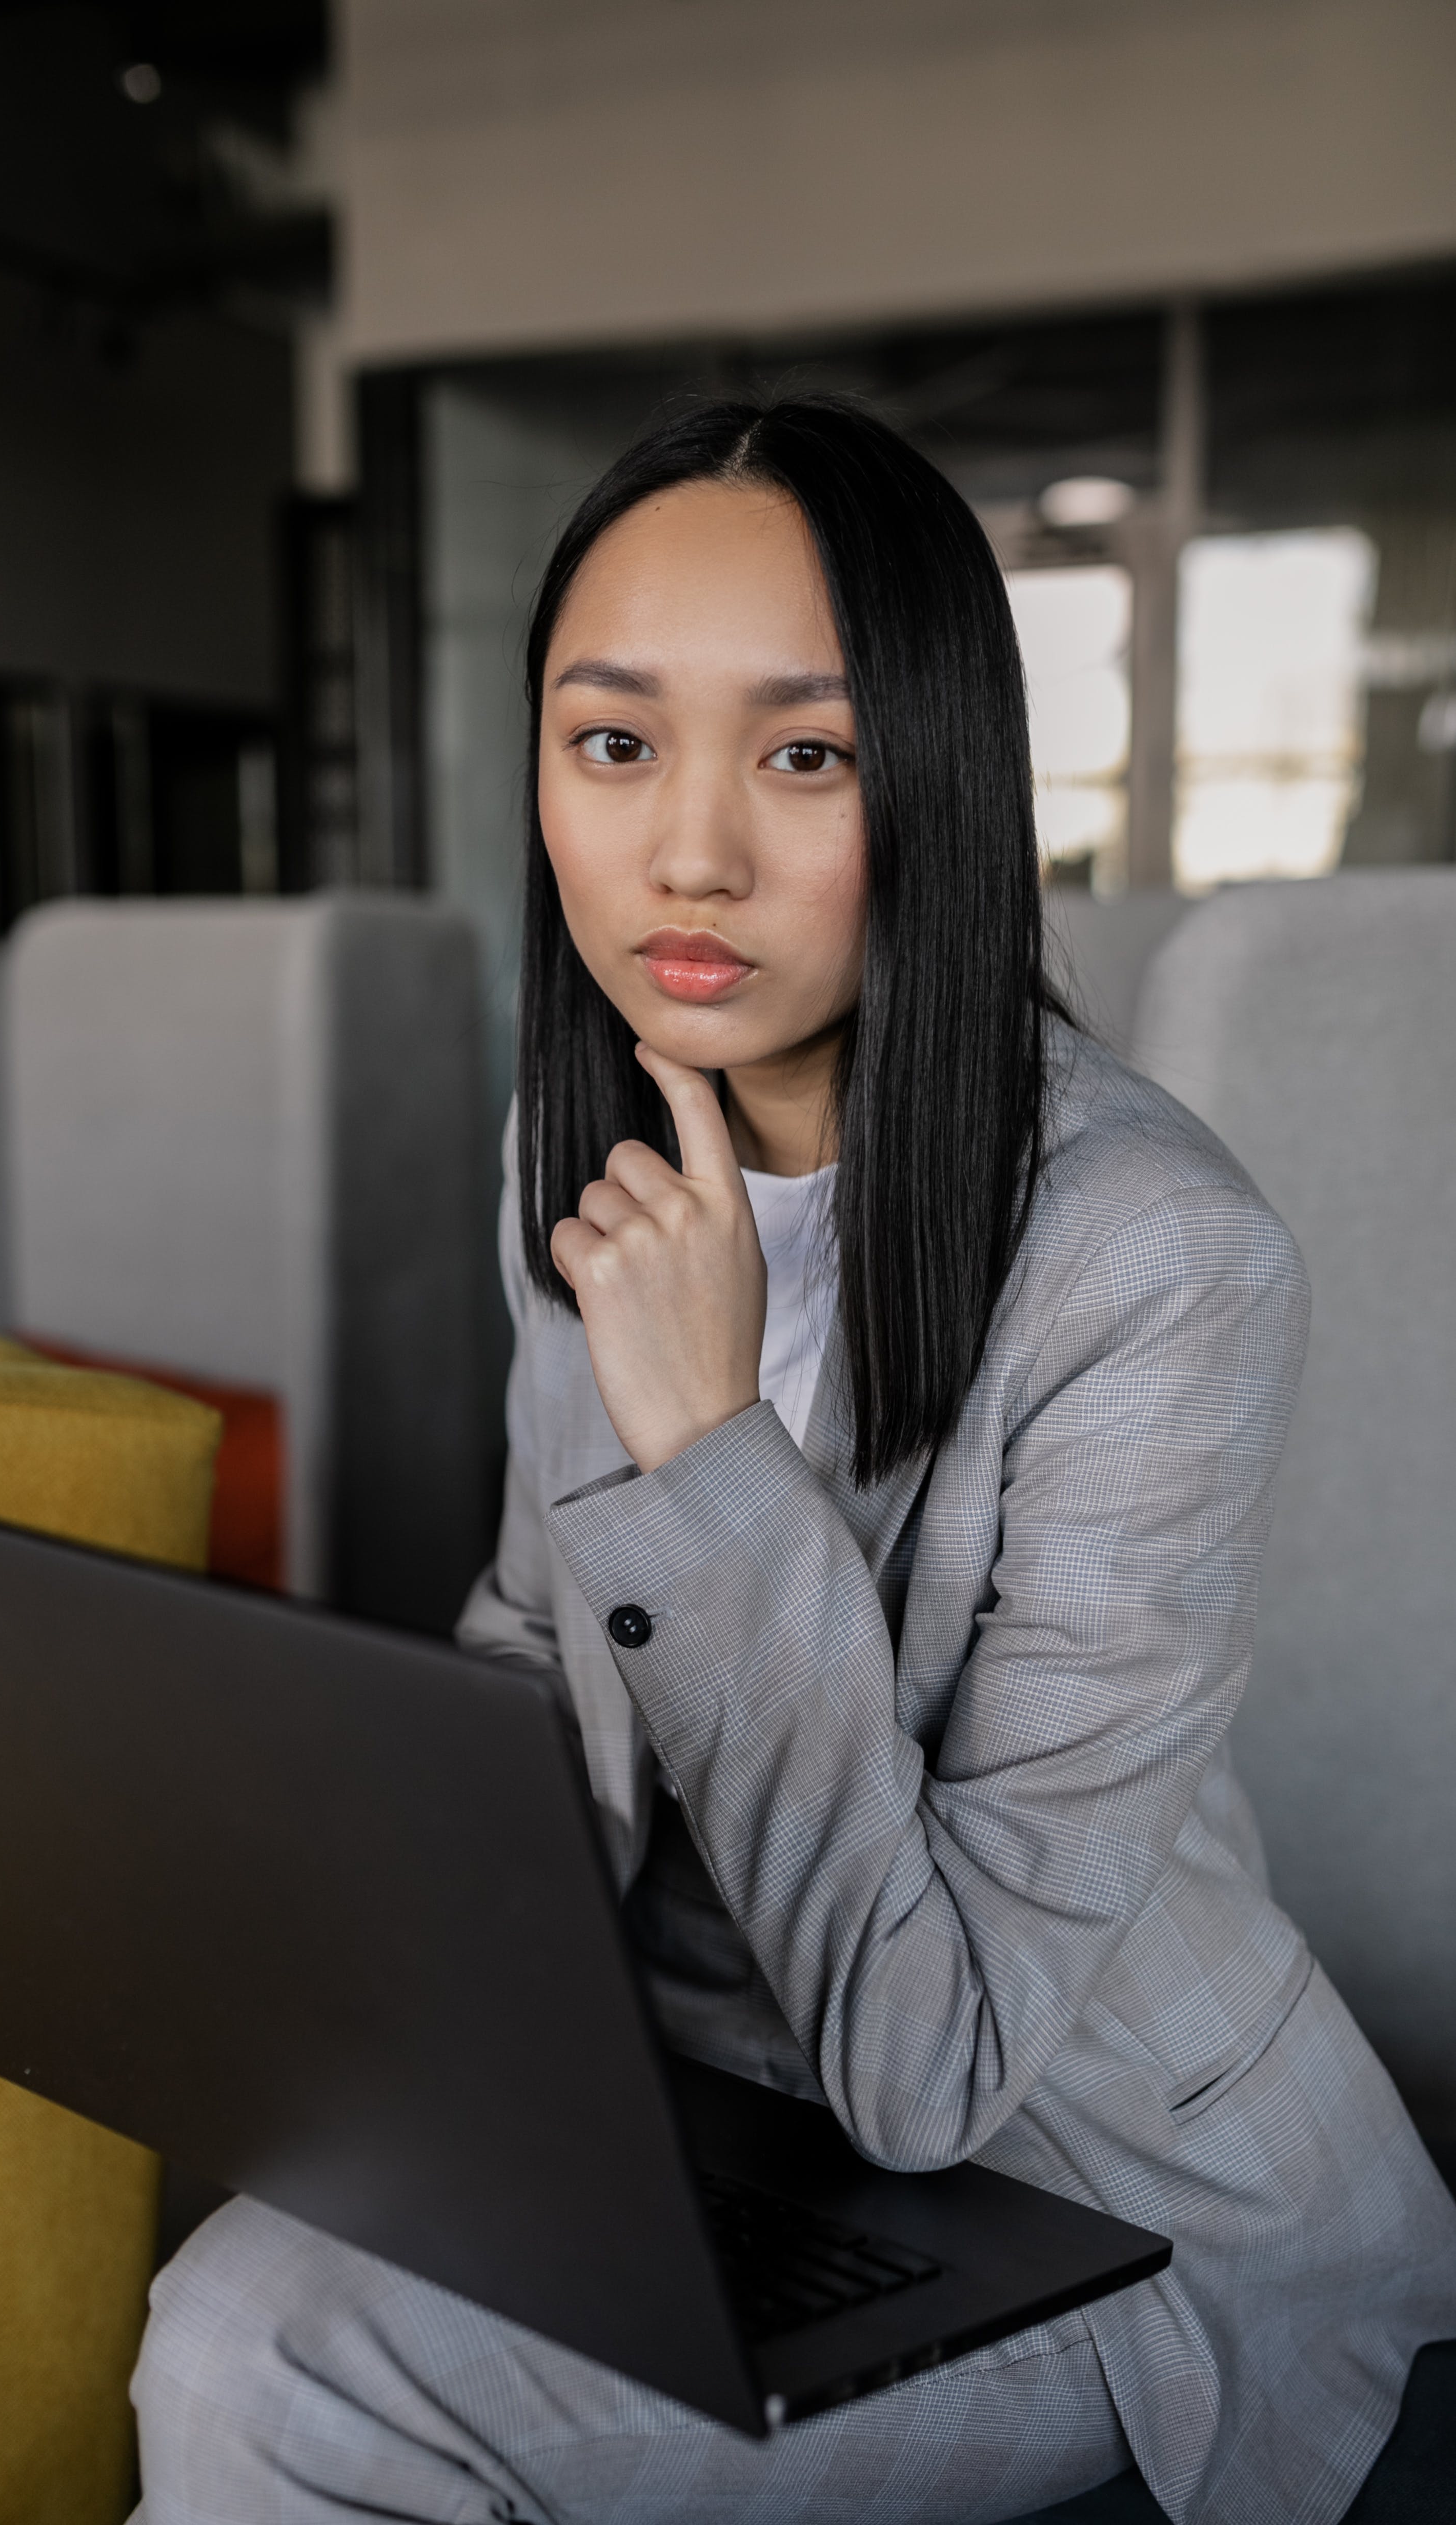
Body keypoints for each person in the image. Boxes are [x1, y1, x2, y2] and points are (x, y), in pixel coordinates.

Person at [132, 402, 1455, 2524]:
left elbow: (932, 2069)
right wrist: (374, 1955)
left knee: (296, 2382)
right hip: (674, 2109)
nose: (689, 856)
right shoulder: (584, 1159)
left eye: (804, 754)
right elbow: (533, 1633)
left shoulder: (1158, 1263)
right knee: (225, 2317)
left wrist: (708, 1454)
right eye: (615, 743)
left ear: (930, 780)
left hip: (1089, 2194)